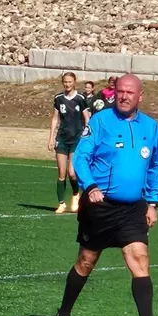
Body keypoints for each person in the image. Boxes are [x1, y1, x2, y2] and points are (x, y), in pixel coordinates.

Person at [48, 74, 158, 316]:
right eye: (120, 91)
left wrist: (152, 203)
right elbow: (82, 157)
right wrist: (89, 185)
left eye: (130, 92)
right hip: (100, 208)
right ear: (114, 93)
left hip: (133, 209)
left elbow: (155, 165)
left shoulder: (151, 127)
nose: (124, 96)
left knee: (139, 259)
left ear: (140, 96)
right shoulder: (100, 122)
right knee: (86, 262)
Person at [48, 72, 90, 214]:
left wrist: (87, 135)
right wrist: (51, 138)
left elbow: (87, 118)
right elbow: (55, 118)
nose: (67, 84)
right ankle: (61, 204)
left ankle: (75, 194)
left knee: (72, 173)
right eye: (65, 82)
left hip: (76, 139)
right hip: (62, 139)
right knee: (61, 173)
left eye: (70, 82)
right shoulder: (58, 99)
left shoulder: (80, 98)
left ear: (74, 82)